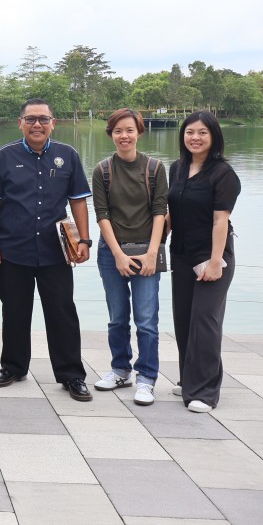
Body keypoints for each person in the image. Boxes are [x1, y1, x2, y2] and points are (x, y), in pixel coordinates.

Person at [0, 99, 94, 402]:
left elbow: (78, 200)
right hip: (12, 249)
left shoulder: (68, 155)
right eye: (30, 119)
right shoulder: (4, 156)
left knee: (62, 312)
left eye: (43, 119)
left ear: (53, 123)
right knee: (14, 311)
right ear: (20, 123)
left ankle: (71, 375)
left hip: (56, 251)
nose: (37, 125)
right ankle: (13, 367)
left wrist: (84, 240)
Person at [91, 109, 169, 406]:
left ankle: (146, 378)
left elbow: (160, 212)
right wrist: (118, 254)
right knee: (117, 318)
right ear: (111, 134)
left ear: (139, 132)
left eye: (129, 130)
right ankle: (120, 369)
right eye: (118, 131)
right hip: (112, 252)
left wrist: (152, 253)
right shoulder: (102, 170)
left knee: (146, 320)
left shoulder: (154, 168)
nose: (124, 136)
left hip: (147, 250)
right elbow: (102, 214)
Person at [168, 111, 240, 413]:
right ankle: (189, 379)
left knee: (205, 320)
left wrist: (215, 261)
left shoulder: (223, 174)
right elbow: (172, 213)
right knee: (184, 318)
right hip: (181, 254)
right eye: (190, 132)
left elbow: (220, 221)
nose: (195, 138)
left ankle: (206, 392)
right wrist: (151, 243)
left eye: (202, 133)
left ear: (214, 137)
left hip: (213, 256)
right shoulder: (177, 168)